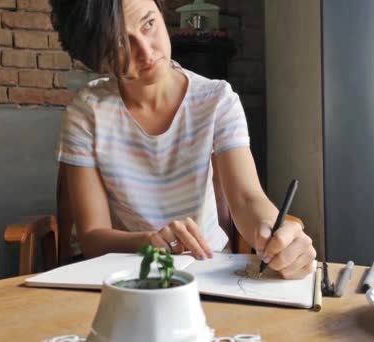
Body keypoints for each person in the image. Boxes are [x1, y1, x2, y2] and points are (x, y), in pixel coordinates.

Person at [52, 0, 316, 279]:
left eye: (149, 23)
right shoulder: (88, 112)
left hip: (209, 272)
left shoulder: (217, 100)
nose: (146, 50)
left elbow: (247, 198)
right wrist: (150, 241)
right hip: (129, 274)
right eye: (120, 42)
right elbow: (93, 238)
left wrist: (274, 232)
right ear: (97, 55)